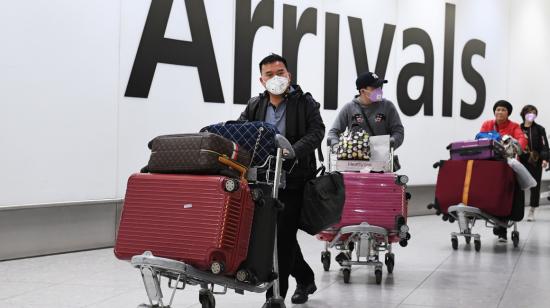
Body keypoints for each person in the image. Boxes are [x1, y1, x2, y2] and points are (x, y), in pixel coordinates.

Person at [238, 54, 325, 305]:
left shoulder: (305, 103)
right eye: (269, 74)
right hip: (263, 180)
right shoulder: (255, 105)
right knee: (272, 236)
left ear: (289, 75)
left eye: (280, 72)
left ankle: (275, 296)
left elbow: (317, 131)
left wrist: (293, 149)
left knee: (283, 237)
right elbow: (242, 129)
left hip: (294, 180)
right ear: (261, 79)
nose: (276, 78)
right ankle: (306, 278)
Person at [479, 100, 527, 242]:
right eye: (498, 109)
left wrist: (518, 146)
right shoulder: (487, 124)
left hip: (508, 165)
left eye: (503, 110)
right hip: (490, 165)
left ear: (508, 113)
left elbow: (521, 139)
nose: (500, 112)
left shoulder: (514, 126)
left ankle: (502, 228)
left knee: (504, 193)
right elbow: (480, 139)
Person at [327, 71, 404, 149]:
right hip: (355, 158)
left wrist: (390, 143)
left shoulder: (388, 106)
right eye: (375, 88)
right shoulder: (349, 108)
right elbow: (333, 132)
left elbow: (399, 131)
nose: (379, 90)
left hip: (383, 158)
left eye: (380, 87)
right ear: (363, 91)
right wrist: (336, 146)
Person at [519, 105, 549, 221]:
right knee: (519, 186)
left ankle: (532, 210)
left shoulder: (540, 129)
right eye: (529, 112)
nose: (532, 114)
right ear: (524, 114)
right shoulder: (518, 128)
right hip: (521, 160)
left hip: (536, 160)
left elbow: (545, 145)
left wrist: (545, 158)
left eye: (534, 112)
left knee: (535, 186)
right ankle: (518, 211)